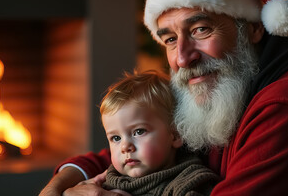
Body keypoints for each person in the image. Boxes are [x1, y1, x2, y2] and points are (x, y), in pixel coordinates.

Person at [39, 0, 288, 195]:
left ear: (252, 27)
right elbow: (132, 145)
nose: (183, 58)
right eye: (170, 39)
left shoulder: (287, 107)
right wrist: (56, 187)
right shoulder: (219, 90)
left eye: (200, 29)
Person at [83, 70, 219, 195]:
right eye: (116, 138)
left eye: (139, 131)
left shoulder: (189, 183)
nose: (125, 147)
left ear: (176, 135)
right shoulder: (106, 180)